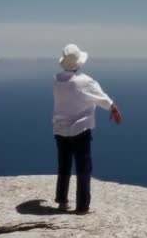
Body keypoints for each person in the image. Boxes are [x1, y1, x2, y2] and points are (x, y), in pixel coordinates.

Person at [52, 44, 122, 213]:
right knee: (83, 167)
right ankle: (82, 207)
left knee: (64, 165)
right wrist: (114, 109)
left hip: (60, 129)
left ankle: (62, 201)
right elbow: (102, 98)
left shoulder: (56, 79)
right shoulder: (85, 81)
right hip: (80, 130)